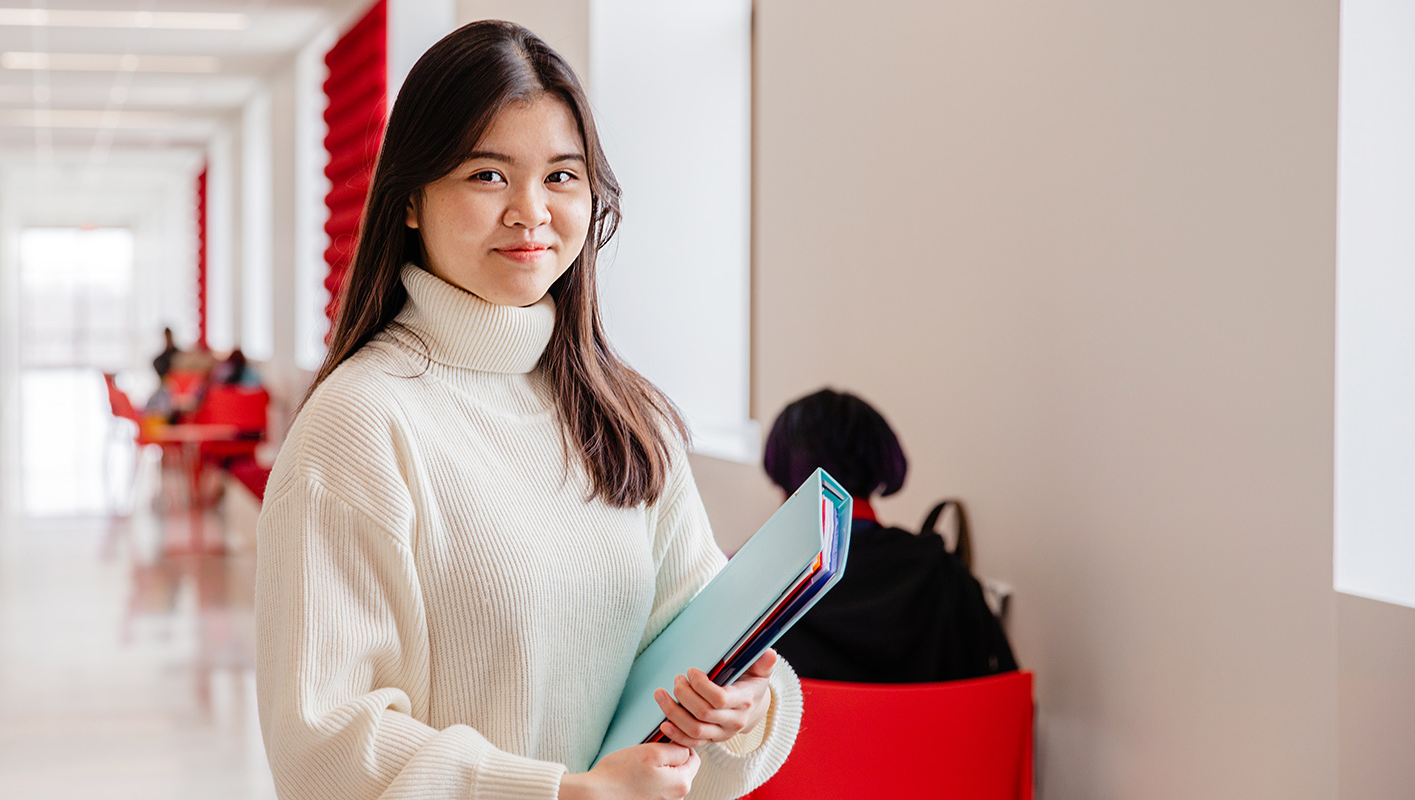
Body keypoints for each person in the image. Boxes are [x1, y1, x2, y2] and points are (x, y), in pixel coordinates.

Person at [255, 21, 800, 800]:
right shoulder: (359, 425)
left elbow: (707, 667)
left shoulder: (625, 416)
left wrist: (741, 710)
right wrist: (568, 794)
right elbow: (327, 751)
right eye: (486, 175)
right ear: (409, 199)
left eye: (561, 176)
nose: (530, 212)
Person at [762, 389, 1017, 684]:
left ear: (787, 477)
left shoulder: (768, 589)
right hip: (933, 731)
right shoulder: (943, 573)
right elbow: (1001, 694)